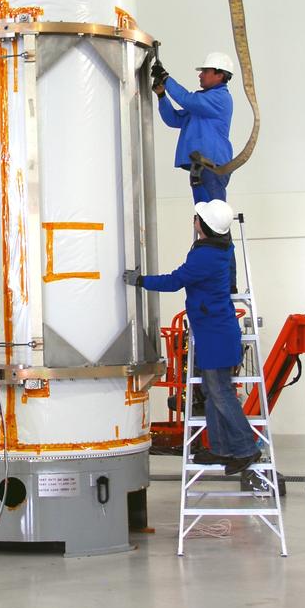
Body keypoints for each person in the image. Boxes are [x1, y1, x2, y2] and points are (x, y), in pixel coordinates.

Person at [123, 200, 261, 476]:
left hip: (215, 335)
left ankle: (246, 448)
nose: (193, 221)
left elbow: (174, 281)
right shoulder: (221, 247)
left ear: (204, 226)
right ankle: (220, 448)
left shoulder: (204, 256)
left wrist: (140, 281)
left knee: (221, 393)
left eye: (196, 218)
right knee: (213, 392)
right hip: (215, 331)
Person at [151, 51, 234, 203]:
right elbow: (173, 119)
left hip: (212, 166)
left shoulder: (220, 98)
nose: (200, 75)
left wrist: (166, 78)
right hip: (202, 166)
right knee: (203, 215)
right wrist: (162, 95)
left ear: (220, 75)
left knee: (213, 216)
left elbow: (186, 99)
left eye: (205, 71)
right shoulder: (202, 105)